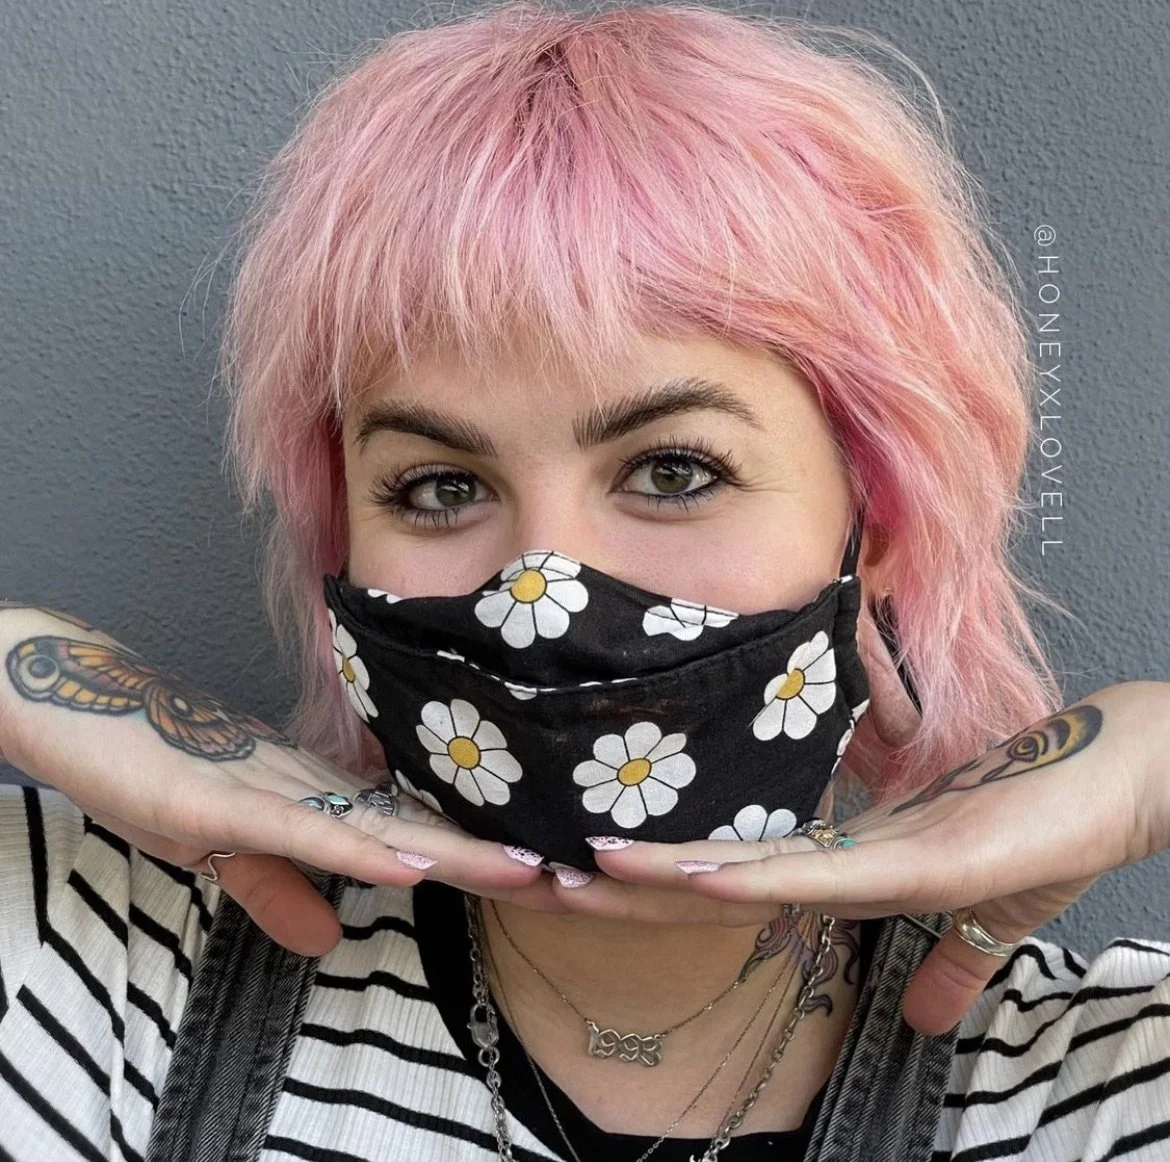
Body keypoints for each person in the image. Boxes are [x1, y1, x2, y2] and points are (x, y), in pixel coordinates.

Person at [1, 3, 1167, 1160]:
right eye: (439, 486)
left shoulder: (1103, 1074)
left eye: (672, 467)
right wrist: (33, 674)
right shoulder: (85, 962)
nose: (539, 587)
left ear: (884, 531)